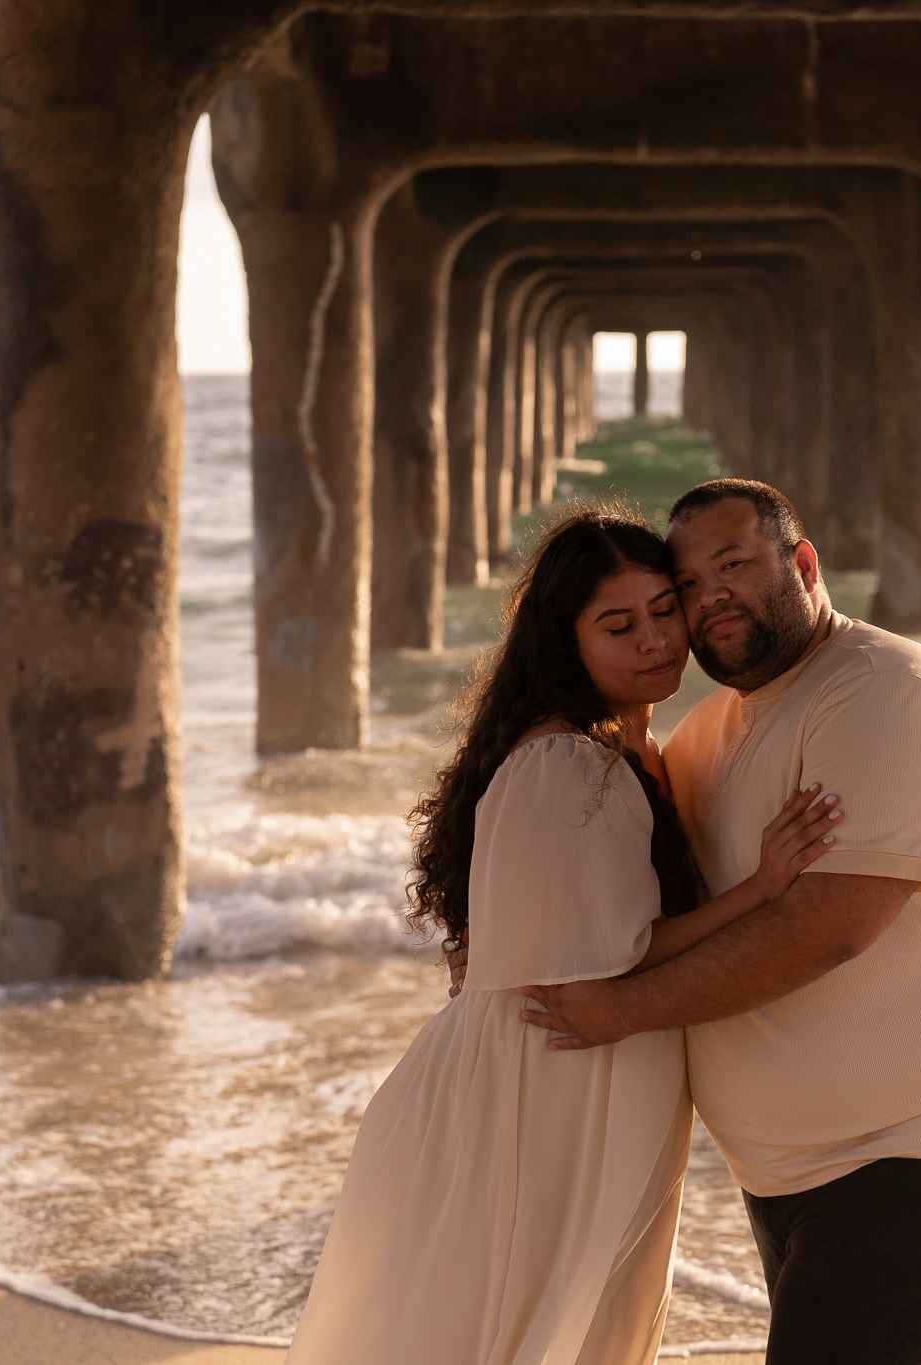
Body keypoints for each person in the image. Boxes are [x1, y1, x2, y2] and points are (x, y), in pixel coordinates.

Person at [520, 480, 921, 1365]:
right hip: (786, 1167)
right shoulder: (706, 732)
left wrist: (616, 1013)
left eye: (734, 564)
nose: (712, 597)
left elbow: (832, 925)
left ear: (803, 564)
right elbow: (631, 904)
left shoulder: (884, 691)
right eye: (689, 586)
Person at [282, 508, 842, 1365]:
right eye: (619, 625)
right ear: (564, 639)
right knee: (545, 1329)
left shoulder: (621, 746)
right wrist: (764, 890)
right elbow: (612, 960)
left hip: (573, 1069)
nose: (656, 640)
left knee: (573, 1325)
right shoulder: (569, 763)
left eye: (666, 609)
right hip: (550, 1086)